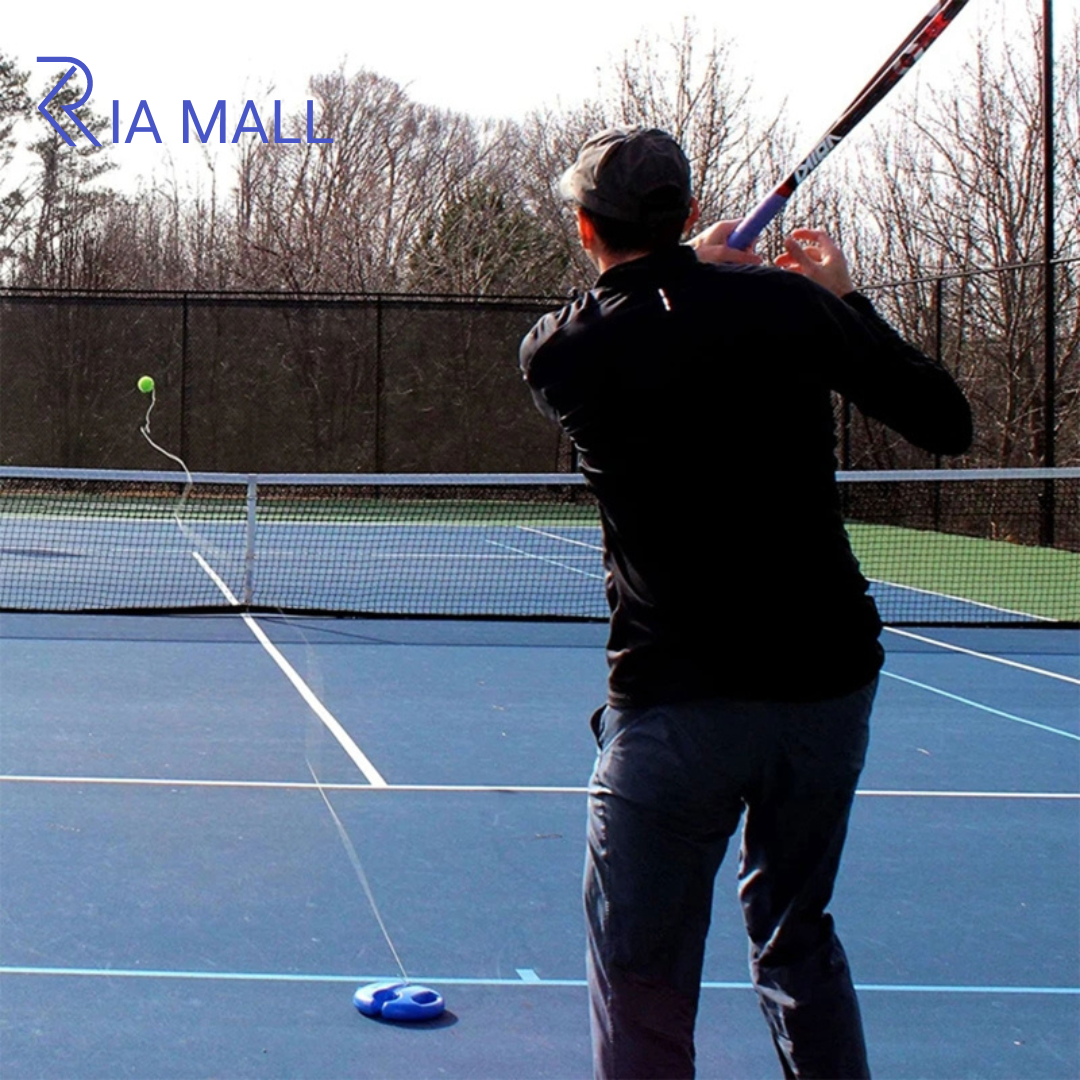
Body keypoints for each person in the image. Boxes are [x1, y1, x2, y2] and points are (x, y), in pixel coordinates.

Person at [519, 127, 972, 1080]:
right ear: (685, 213)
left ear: (584, 227)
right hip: (826, 690)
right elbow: (945, 419)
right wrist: (841, 295)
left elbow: (636, 313)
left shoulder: (564, 353)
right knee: (796, 936)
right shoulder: (791, 308)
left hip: (677, 705)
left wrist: (701, 272)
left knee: (642, 970)